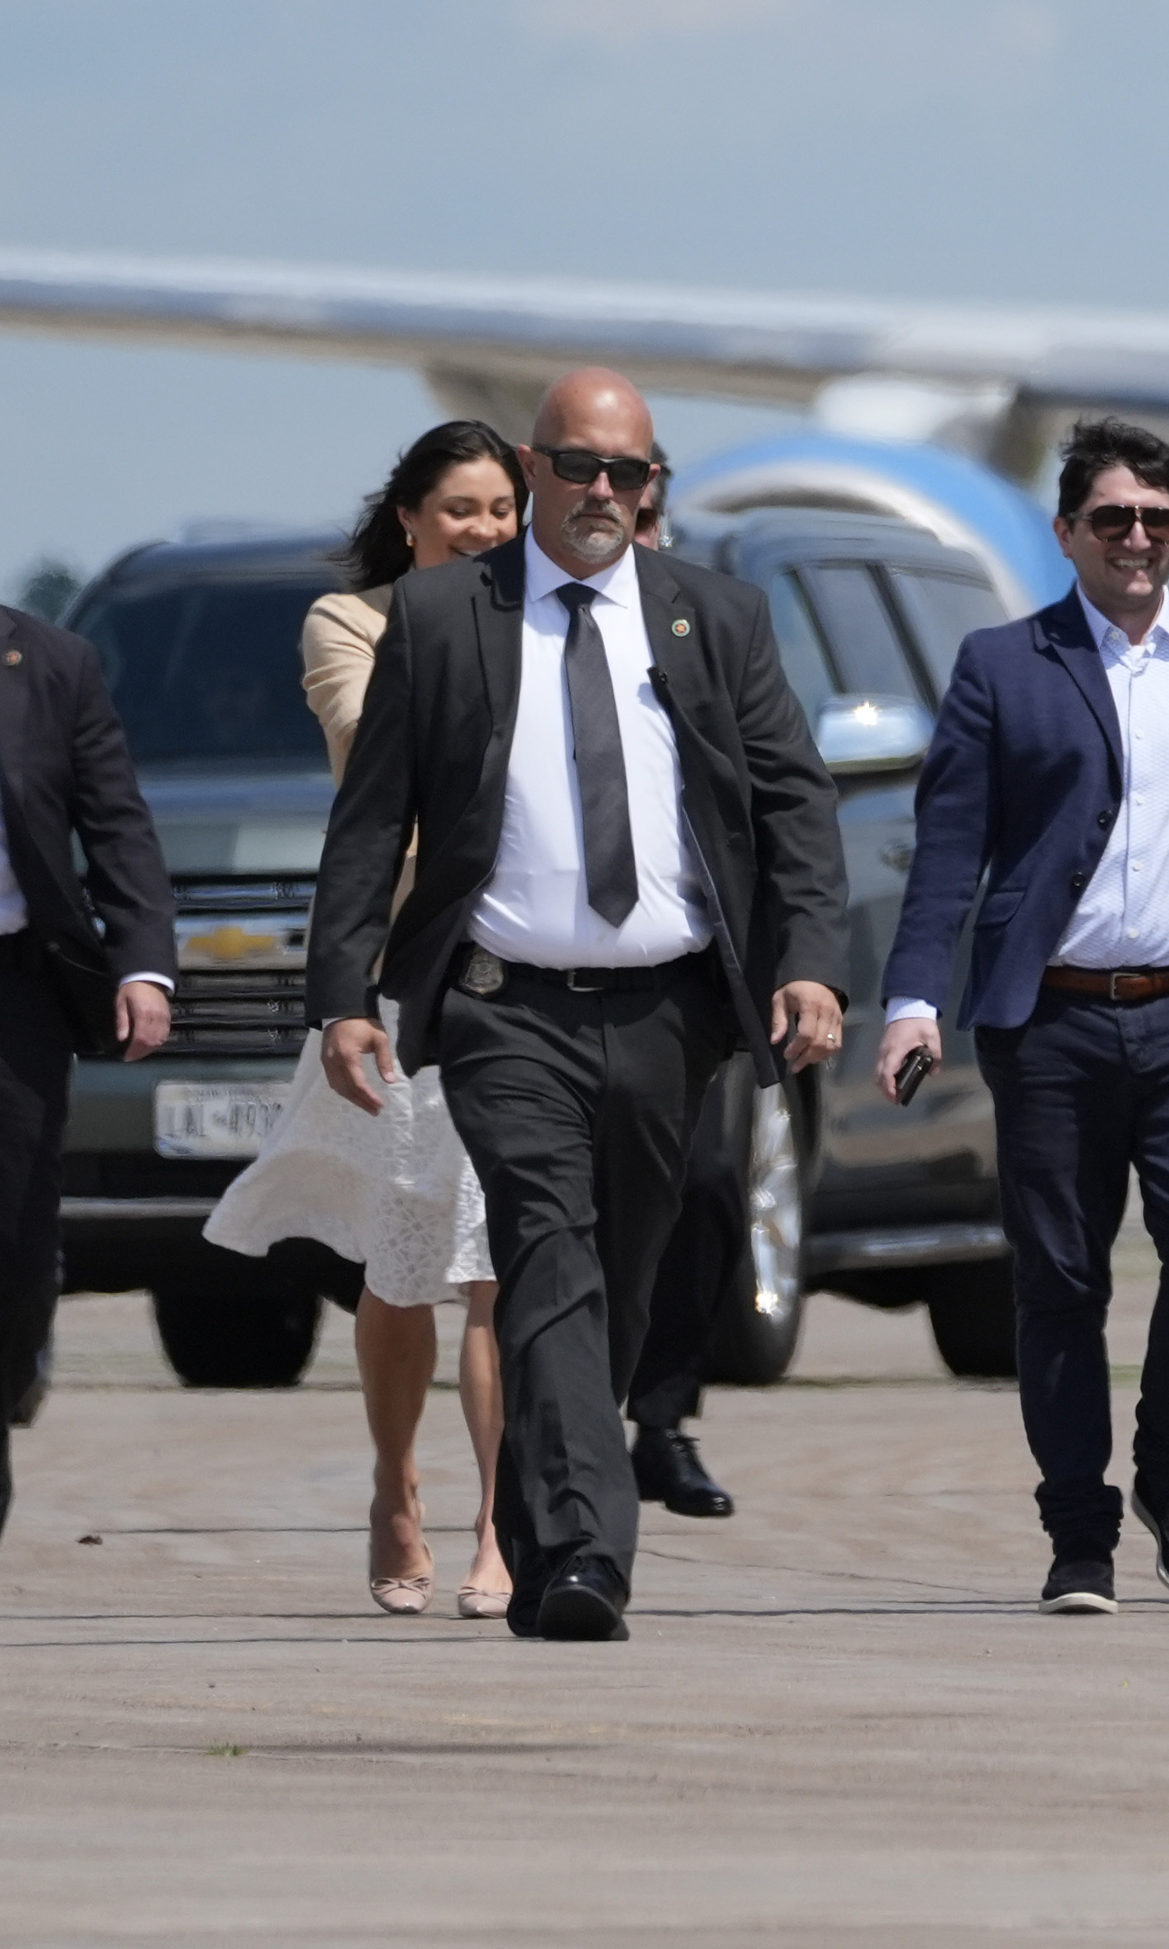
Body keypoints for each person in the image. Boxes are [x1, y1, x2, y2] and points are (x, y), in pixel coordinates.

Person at [309, 368, 848, 1641]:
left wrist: (808, 959)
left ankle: (553, 1526)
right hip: (506, 1007)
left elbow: (793, 802)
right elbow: (370, 815)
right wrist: (343, 993)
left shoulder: (715, 617)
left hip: (671, 1011)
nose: (604, 493)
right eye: (580, 468)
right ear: (532, 466)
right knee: (545, 1251)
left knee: (624, 1269)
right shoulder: (444, 617)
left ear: (654, 485)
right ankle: (590, 1561)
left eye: (631, 474)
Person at [881, 418, 1169, 1615]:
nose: (1136, 539)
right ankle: (1077, 1531)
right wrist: (914, 1000)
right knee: (1060, 1280)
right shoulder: (1005, 663)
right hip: (1054, 1021)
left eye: (1157, 519)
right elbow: (948, 851)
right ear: (1068, 534)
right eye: (1112, 520)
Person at [208, 420, 521, 1615]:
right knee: (402, 1268)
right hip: (406, 980)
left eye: (502, 509)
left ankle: (503, 1523)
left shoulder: (554, 622)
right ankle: (397, 1485)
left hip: (526, 978)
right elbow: (366, 757)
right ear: (410, 518)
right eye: (461, 510)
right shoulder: (354, 625)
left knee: (498, 1269)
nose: (485, 531)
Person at [0, 575, 176, 1546]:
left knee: (18, 1247)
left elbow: (114, 823)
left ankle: (12, 1371)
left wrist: (144, 963)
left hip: (16, 992)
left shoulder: (52, 663)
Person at [618, 464, 743, 1526]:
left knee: (702, 1190)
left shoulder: (712, 629)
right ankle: (558, 1429)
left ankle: (660, 1419)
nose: (629, 528)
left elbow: (780, 792)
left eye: (647, 511)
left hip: (692, 975)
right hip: (540, 979)